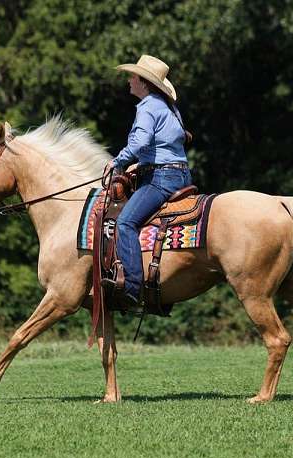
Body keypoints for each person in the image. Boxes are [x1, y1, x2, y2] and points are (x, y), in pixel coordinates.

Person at [106, 54, 192, 309]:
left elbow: (141, 141)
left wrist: (117, 161)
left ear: (143, 82)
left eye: (132, 76)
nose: (129, 81)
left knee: (125, 222)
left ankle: (133, 289)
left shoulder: (147, 106)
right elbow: (170, 141)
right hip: (181, 174)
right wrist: (141, 163)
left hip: (161, 178)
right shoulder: (168, 107)